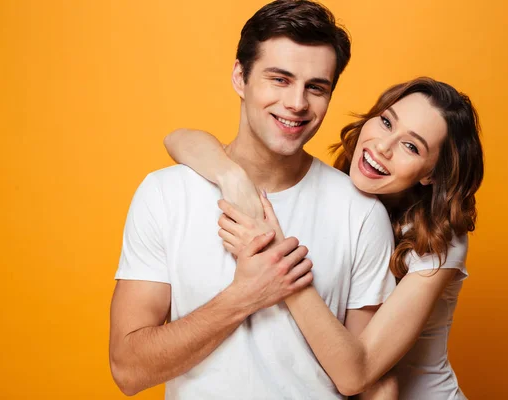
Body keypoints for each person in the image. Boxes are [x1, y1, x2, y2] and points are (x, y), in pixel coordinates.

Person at [109, 1, 397, 399]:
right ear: (240, 77)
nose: (297, 103)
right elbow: (128, 369)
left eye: (316, 87)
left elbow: (370, 380)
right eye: (279, 79)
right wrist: (245, 296)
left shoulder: (360, 212)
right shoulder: (165, 194)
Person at [164, 76, 484, 399]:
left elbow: (355, 375)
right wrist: (230, 176)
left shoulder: (442, 241)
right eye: (387, 122)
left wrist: (276, 257)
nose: (383, 147)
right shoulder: (350, 197)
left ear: (431, 174)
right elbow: (177, 139)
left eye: (411, 146)